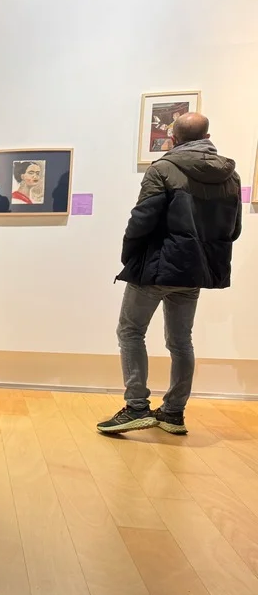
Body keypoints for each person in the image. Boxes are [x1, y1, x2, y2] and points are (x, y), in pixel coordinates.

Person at [99, 112, 242, 437]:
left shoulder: (163, 169)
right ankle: (174, 412)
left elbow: (141, 220)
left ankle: (137, 407)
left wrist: (128, 255)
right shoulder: (230, 176)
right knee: (180, 341)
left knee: (130, 332)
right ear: (207, 137)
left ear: (173, 139)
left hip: (157, 267)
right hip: (195, 271)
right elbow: (233, 230)